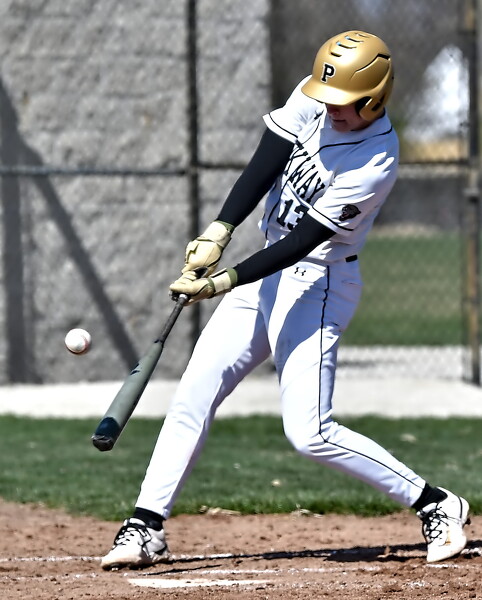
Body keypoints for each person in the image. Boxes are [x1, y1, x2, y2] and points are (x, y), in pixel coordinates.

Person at [101, 30, 470, 569]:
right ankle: (145, 526)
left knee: (310, 433)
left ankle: (435, 503)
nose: (331, 108)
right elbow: (267, 159)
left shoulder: (376, 158)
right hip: (266, 269)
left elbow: (305, 241)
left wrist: (221, 282)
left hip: (319, 284)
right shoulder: (317, 94)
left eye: (345, 102)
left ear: (375, 99)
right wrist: (220, 229)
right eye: (328, 97)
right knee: (192, 395)